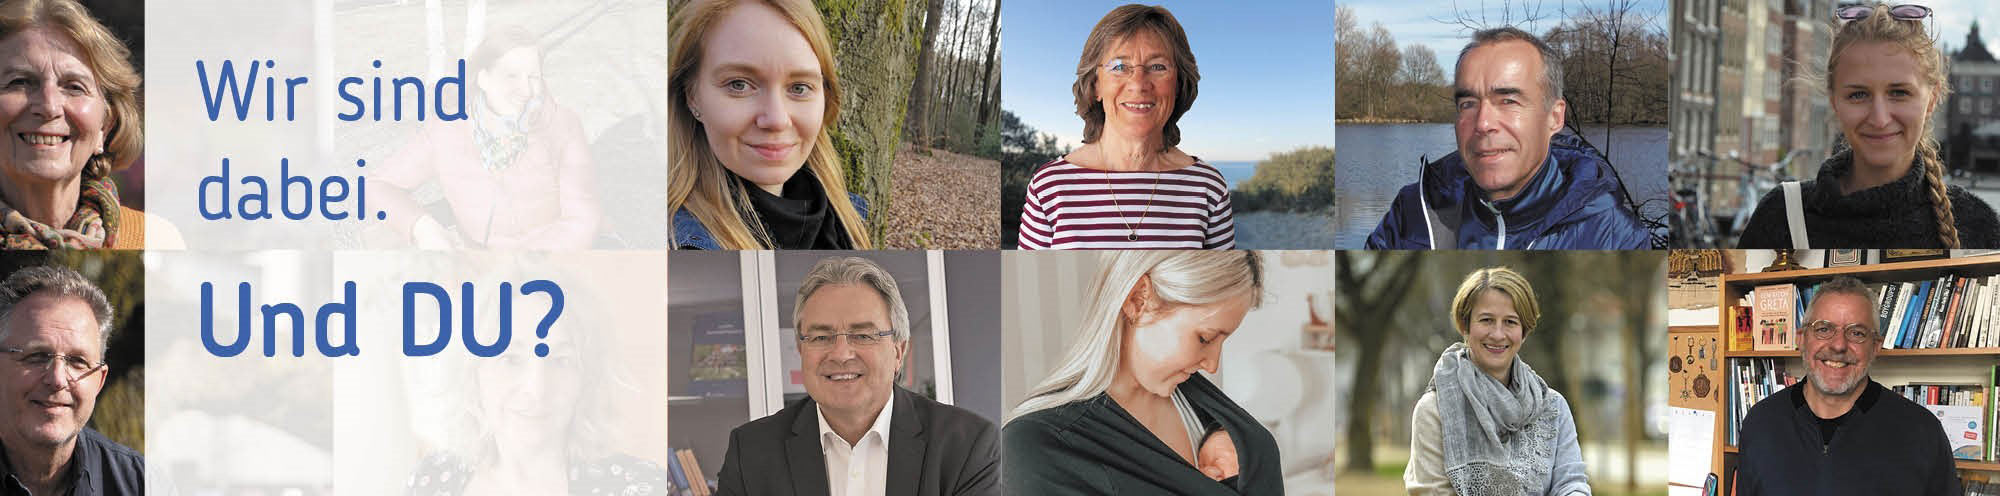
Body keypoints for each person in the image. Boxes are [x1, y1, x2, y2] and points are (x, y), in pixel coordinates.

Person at [714, 256, 997, 496]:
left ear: (898, 351)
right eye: (821, 336)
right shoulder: (750, 451)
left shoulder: (967, 445)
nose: (840, 354)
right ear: (801, 350)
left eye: (863, 335)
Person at [1004, 251, 1280, 495]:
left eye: (1224, 341)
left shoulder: (1212, 415)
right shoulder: (1039, 447)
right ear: (1138, 299)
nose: (1212, 365)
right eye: (1205, 339)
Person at [1736, 3, 2000, 249]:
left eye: (1899, 93)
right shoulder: (1779, 218)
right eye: (1858, 95)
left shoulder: (1978, 226)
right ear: (1834, 102)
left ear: (1932, 99)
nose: (1879, 118)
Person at [1365, 27, 1649, 250]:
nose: (1483, 124)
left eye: (1509, 101)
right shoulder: (1414, 210)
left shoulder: (1613, 236)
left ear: (1555, 117)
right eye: (1468, 104)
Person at [1016, 4, 1234, 250]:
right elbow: (1027, 288)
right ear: (1096, 85)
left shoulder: (1208, 187)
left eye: (1158, 66)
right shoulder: (1050, 186)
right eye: (1119, 66)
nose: (1139, 84)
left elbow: (1223, 288)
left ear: (1178, 83)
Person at [373, 26, 604, 250]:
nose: (526, 89)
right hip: (476, 263)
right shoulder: (446, 132)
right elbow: (376, 186)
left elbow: (582, 219)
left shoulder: (562, 126)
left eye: (533, 76)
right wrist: (422, 228)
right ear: (484, 80)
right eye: (511, 76)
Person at [668, 0, 872, 250]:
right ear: (692, 95)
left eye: (799, 88)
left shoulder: (846, 220)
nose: (776, 120)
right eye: (739, 84)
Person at [1735, 276, 1959, 495]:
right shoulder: (1761, 423)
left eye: (1856, 333)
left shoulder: (1922, 432)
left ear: (1876, 347)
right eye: (1823, 329)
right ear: (1801, 339)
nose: (1839, 345)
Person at [0, 0, 171, 249]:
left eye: (74, 87)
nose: (49, 106)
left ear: (106, 125)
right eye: (20, 82)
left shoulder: (157, 240)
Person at [1404, 267, 1589, 496]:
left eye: (1510, 322)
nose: (1498, 334)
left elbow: (1571, 483)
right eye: (1486, 320)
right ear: (1465, 325)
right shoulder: (1433, 411)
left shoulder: (1553, 407)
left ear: (1524, 331)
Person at [0, 265, 141, 494]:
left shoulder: (139, 484)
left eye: (77, 361)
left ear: (99, 380)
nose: (57, 380)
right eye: (37, 356)